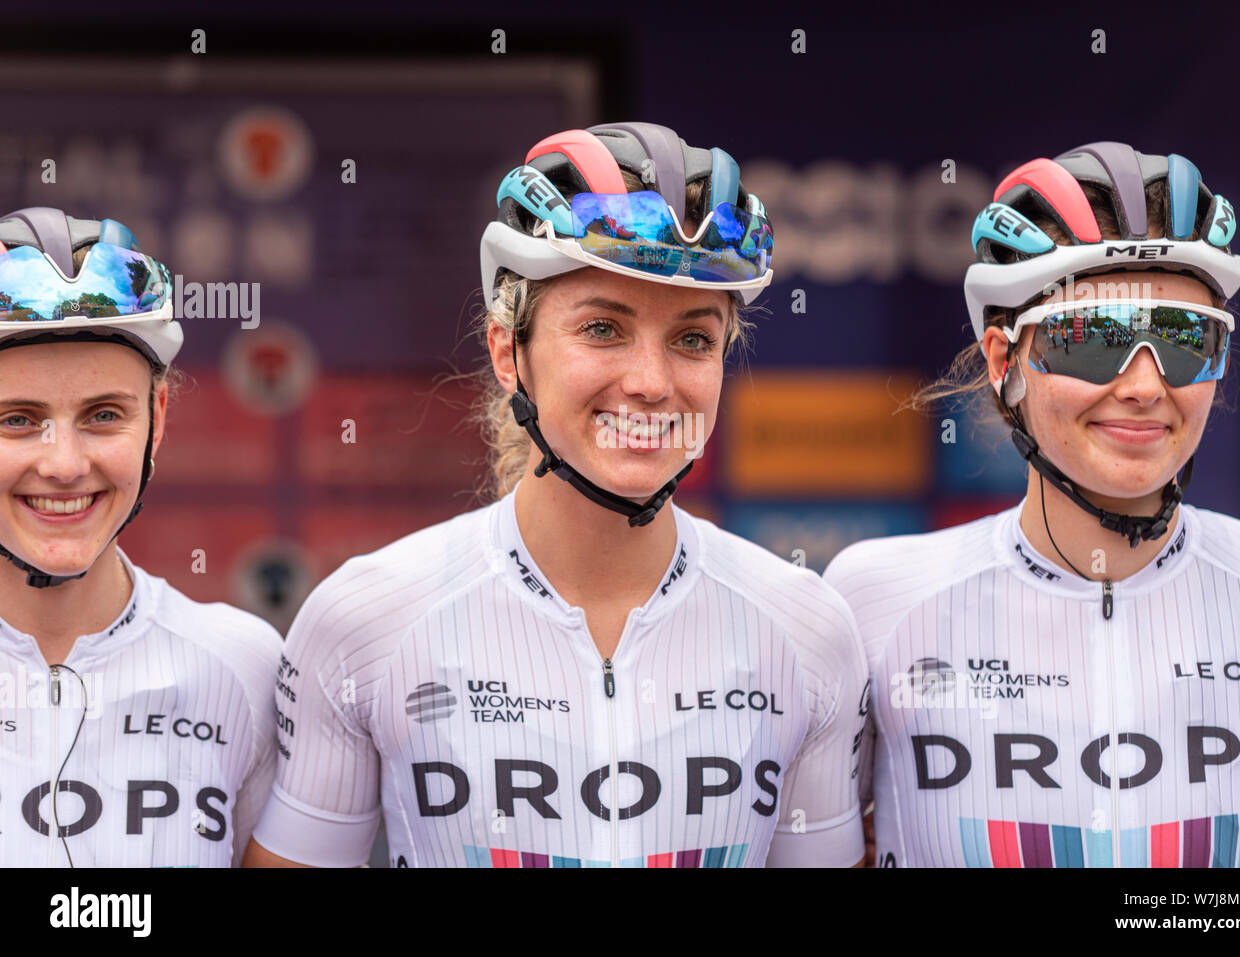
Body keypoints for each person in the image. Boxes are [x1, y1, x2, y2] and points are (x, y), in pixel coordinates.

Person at [245, 122, 869, 869]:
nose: (651, 380)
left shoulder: (807, 629)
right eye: (603, 327)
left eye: (694, 339)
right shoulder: (366, 619)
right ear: (509, 352)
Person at [826, 142, 1240, 868]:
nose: (1144, 386)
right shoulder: (874, 600)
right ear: (1003, 359)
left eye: (1182, 338)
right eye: (1093, 338)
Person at [0, 207, 281, 866]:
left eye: (104, 415)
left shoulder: (244, 668)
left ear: (157, 416)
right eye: (16, 418)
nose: (64, 463)